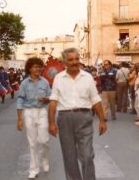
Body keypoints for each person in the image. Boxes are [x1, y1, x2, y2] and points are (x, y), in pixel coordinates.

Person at [48, 47, 107, 180]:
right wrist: (51, 123)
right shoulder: (58, 78)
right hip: (64, 118)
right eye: (70, 60)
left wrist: (102, 120)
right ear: (64, 62)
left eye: (76, 59)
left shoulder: (87, 77)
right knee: (69, 157)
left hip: (84, 117)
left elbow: (96, 99)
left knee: (87, 156)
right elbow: (53, 101)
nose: (75, 62)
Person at [16, 57, 51, 179]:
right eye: (35, 67)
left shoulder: (45, 82)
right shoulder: (24, 83)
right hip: (29, 112)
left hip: (42, 112)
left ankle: (45, 160)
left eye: (39, 66)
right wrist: (20, 119)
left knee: (44, 140)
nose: (38, 69)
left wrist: (46, 99)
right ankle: (34, 169)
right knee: (32, 143)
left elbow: (51, 96)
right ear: (29, 69)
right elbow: (20, 100)